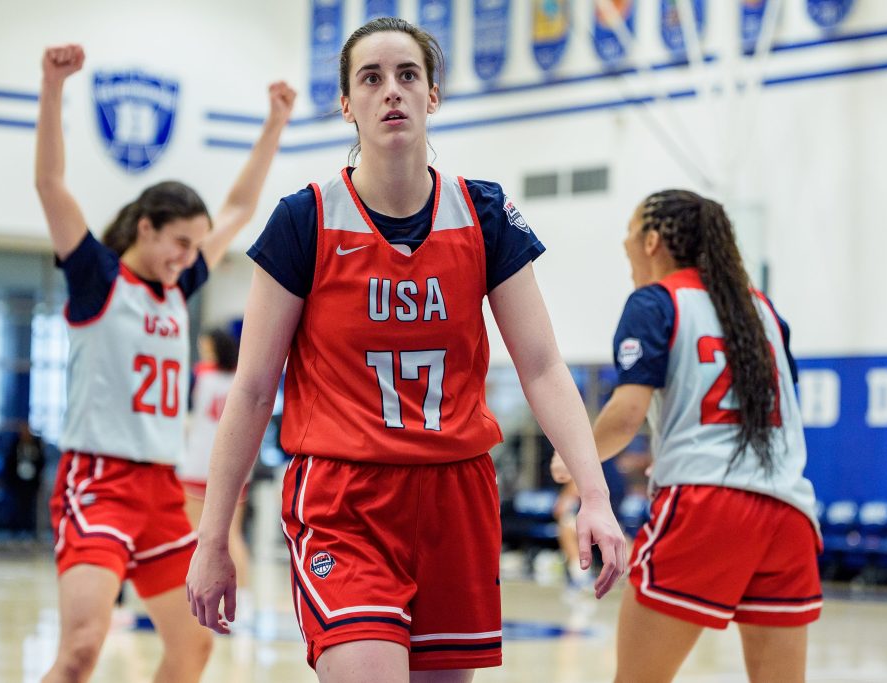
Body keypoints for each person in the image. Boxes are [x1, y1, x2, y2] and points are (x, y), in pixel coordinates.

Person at [186, 16, 626, 683]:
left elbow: (541, 366)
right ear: (346, 104)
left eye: (407, 75)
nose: (391, 89)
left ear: (432, 95)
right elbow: (250, 391)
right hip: (344, 497)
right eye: (371, 78)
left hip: (456, 495)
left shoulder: (483, 213)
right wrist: (213, 536)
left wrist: (594, 493)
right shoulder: (305, 219)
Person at [34, 44, 294, 683]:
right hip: (97, 482)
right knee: (81, 650)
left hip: (160, 490)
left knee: (194, 647)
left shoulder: (178, 287)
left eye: (195, 246)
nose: (188, 255)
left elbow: (238, 209)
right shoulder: (98, 277)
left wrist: (274, 124)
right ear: (146, 228)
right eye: (180, 241)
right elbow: (50, 184)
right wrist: (53, 86)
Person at [552, 189, 821, 683]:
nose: (626, 245)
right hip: (789, 512)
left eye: (630, 234)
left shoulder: (656, 301)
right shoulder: (764, 310)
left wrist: (574, 455)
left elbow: (627, 414)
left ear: (652, 241)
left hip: (706, 503)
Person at [178, 329, 253, 619]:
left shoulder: (200, 374)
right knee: (233, 536)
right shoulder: (242, 376)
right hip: (236, 466)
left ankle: (193, 598)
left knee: (194, 534)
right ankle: (243, 603)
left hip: (199, 463)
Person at [3, 421, 46, 538]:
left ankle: (31, 530)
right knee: (16, 506)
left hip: (31, 482)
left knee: (30, 507)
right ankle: (15, 531)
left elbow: (41, 461)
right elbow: (10, 462)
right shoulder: (15, 444)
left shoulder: (36, 444)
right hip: (18, 482)